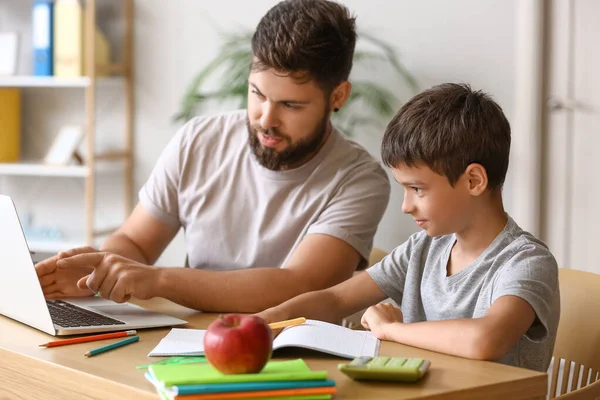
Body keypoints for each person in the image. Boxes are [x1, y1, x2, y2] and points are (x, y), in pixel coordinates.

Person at [34, 0, 390, 313]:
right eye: (257, 94)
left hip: (290, 352)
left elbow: (298, 285)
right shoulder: (199, 140)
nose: (266, 119)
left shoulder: (359, 179)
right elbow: (137, 242)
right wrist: (103, 269)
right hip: (185, 341)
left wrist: (158, 280)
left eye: (290, 105)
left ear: (338, 96)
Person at [257, 83, 560, 372]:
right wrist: (266, 320)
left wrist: (393, 330)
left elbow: (486, 340)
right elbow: (335, 299)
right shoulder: (423, 249)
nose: (406, 206)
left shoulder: (526, 262)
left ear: (473, 181)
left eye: (417, 189)